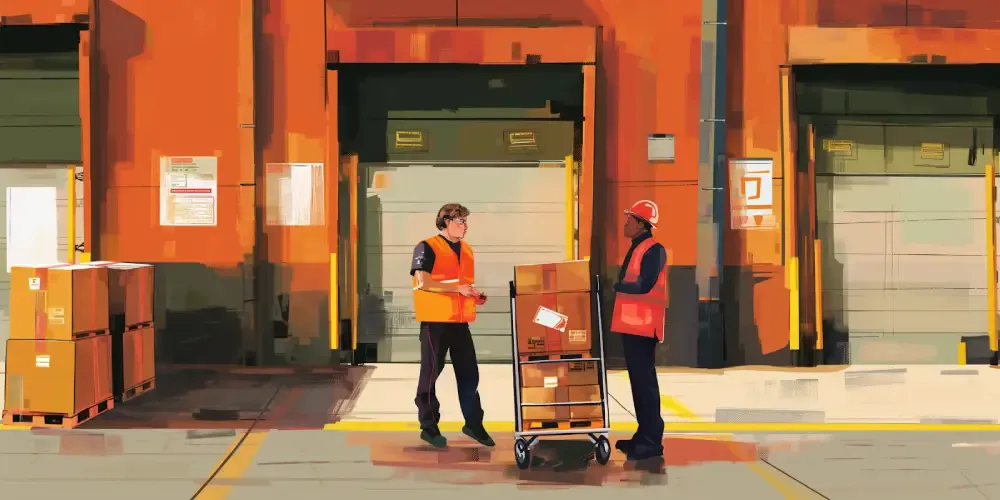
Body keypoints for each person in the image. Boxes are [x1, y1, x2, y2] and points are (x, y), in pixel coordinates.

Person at [410, 203, 495, 449]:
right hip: (434, 323)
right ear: (446, 221)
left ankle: (473, 424)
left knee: (469, 374)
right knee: (431, 374)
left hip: (459, 322)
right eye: (460, 222)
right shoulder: (426, 246)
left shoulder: (466, 250)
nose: (465, 227)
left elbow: (461, 283)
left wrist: (473, 295)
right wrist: (457, 289)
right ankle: (428, 426)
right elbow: (421, 281)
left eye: (466, 222)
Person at [612, 199, 668, 461]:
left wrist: (618, 287)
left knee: (645, 384)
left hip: (644, 326)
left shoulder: (654, 249)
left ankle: (652, 440)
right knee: (638, 384)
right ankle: (643, 435)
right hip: (632, 325)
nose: (625, 223)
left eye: (629, 220)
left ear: (641, 224)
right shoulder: (637, 247)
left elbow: (645, 285)